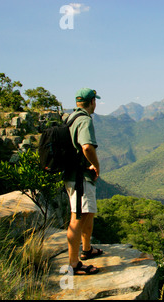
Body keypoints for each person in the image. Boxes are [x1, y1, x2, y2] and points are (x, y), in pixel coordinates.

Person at [64, 88, 103, 275]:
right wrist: (96, 165)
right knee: (77, 218)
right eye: (95, 101)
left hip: (73, 175)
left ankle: (86, 249)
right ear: (92, 101)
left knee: (88, 213)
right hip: (80, 177)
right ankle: (73, 264)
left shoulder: (70, 118)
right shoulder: (85, 120)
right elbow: (86, 147)